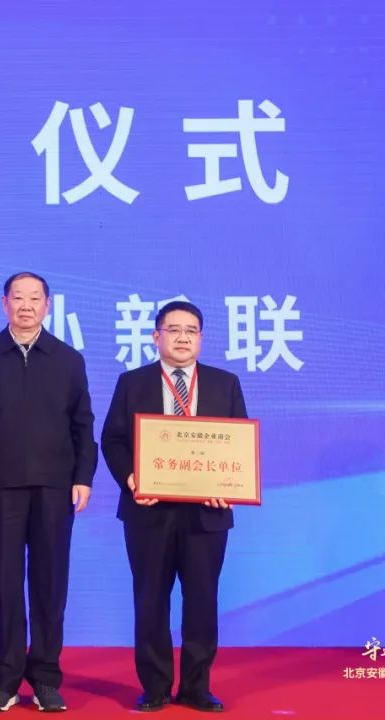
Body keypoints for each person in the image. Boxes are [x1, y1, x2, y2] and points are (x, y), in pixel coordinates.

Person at [0, 272, 97, 713]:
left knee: (50, 586)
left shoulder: (68, 360)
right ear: (4, 304)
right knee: (4, 585)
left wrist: (84, 477)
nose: (26, 306)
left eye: (35, 298)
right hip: (1, 488)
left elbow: (83, 424)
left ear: (47, 306)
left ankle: (47, 679)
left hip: (56, 488)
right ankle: (3, 680)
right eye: (18, 298)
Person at [101, 300, 247, 713]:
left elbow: (239, 442)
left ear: (201, 338)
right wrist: (131, 479)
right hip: (149, 510)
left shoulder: (225, 383)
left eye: (191, 331)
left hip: (207, 513)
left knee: (202, 600)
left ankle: (197, 687)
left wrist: (228, 485)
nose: (183, 338)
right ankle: (155, 687)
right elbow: (113, 439)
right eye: (174, 330)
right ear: (156, 336)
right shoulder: (132, 383)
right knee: (150, 600)